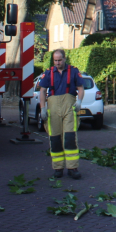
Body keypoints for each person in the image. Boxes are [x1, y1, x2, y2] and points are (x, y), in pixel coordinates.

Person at [39, 49, 85, 179]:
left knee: (70, 138)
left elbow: (80, 89)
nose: (57, 63)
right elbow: (42, 91)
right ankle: (58, 168)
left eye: (59, 60)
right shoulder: (48, 73)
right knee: (55, 138)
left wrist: (79, 101)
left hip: (69, 107)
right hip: (53, 108)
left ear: (65, 59)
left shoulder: (74, 71)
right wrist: (43, 108)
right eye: (55, 60)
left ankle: (73, 168)